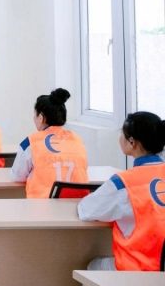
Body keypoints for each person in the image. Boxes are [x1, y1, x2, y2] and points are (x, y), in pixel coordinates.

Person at [78, 112, 165, 271]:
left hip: (138, 270)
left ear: (132, 142)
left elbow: (86, 210)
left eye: (122, 134)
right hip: (161, 271)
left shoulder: (123, 183)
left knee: (92, 266)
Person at [11, 88, 88, 198]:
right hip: (78, 203)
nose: (33, 118)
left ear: (41, 117)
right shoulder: (77, 140)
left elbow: (17, 176)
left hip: (43, 205)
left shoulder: (30, 142)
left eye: (35, 114)